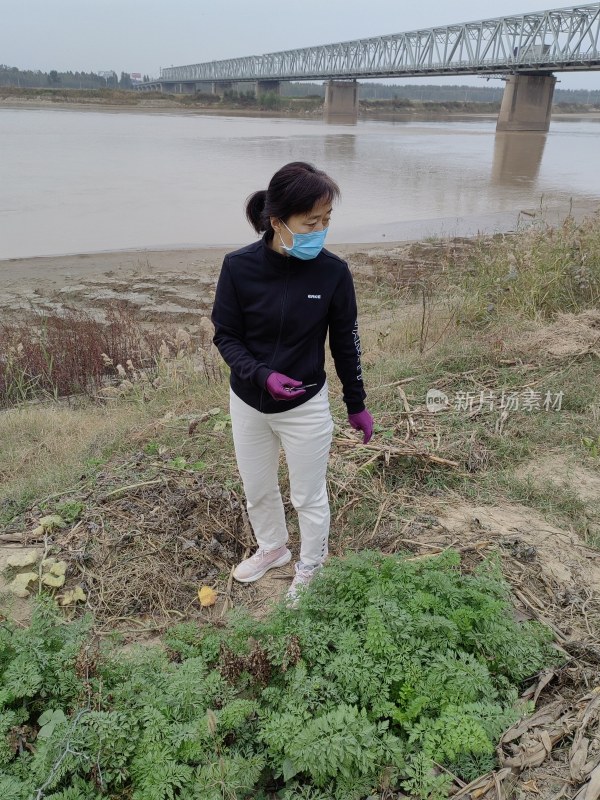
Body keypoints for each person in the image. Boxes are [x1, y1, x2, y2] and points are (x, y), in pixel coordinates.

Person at [211, 161, 373, 603]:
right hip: (248, 401)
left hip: (304, 405)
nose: (320, 230)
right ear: (278, 222)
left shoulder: (332, 273)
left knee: (308, 494)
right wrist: (261, 374)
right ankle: (274, 548)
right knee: (257, 485)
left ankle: (312, 566)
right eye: (310, 222)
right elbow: (225, 335)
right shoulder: (238, 267)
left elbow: (346, 342)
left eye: (326, 221)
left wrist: (355, 403)